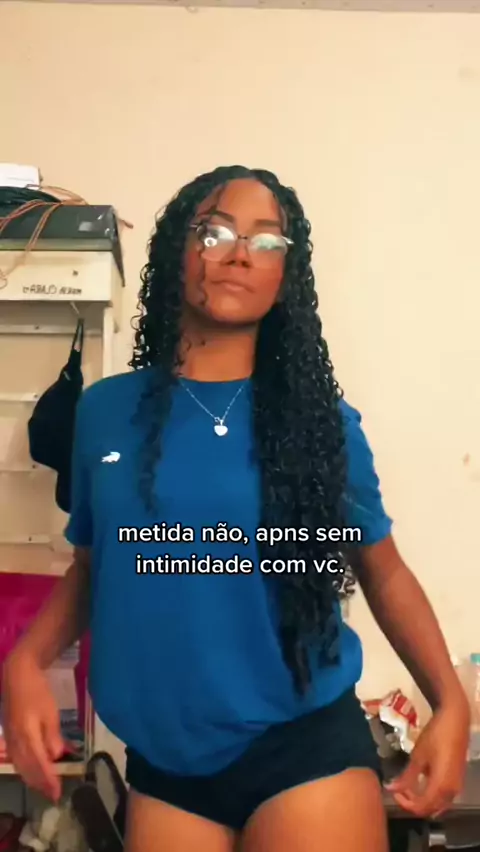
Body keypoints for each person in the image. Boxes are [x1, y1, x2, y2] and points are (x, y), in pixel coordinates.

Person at [2, 165, 469, 852]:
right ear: (177, 251)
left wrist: (451, 702)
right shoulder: (104, 413)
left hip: (302, 751)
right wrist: (25, 661)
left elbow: (384, 571)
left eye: (267, 241)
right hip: (165, 764)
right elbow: (94, 567)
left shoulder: (320, 424)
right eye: (215, 232)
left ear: (286, 276)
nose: (241, 253)